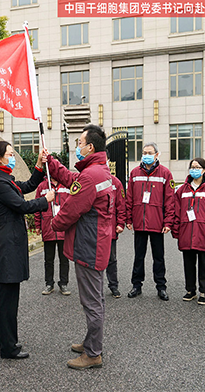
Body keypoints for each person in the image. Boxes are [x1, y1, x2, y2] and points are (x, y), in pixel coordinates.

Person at [44, 124, 113, 370]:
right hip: (95, 243)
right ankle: (91, 342)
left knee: (92, 302)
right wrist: (51, 163)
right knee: (95, 300)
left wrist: (55, 223)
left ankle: (93, 353)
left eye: (80, 143)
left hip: (89, 245)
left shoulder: (91, 175)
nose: (77, 147)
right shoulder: (98, 171)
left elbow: (72, 208)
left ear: (90, 147)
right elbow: (74, 181)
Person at [0, 141, 55, 359]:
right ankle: (8, 347)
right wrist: (46, 200)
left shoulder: (5, 178)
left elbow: (27, 186)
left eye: (13, 153)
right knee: (9, 297)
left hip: (10, 242)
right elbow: (22, 206)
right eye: (9, 154)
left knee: (5, 296)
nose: (12, 157)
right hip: (9, 244)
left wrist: (39, 164)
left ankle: (2, 339)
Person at [125, 141, 175, 301]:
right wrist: (128, 218)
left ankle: (161, 287)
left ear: (157, 155)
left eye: (149, 153)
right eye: (144, 153)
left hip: (157, 223)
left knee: (158, 257)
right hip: (139, 222)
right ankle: (136, 285)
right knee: (138, 256)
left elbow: (169, 200)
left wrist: (168, 222)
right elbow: (129, 198)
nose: (146, 155)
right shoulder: (134, 173)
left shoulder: (165, 174)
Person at [172, 158, 205, 305]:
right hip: (186, 233)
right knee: (188, 264)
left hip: (204, 235)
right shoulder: (181, 190)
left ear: (204, 170)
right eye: (192, 167)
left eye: (198, 167)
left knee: (204, 265)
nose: (194, 169)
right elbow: (177, 212)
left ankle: (203, 291)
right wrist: (177, 231)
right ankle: (190, 290)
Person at [34, 173, 71, 296]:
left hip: (63, 228)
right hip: (48, 227)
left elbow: (72, 206)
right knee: (48, 259)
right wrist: (38, 225)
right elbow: (37, 207)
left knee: (64, 258)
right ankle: (49, 283)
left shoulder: (66, 185)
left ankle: (64, 283)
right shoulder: (42, 187)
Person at [107, 169, 126, 298]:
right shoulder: (90, 179)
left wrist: (120, 223)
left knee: (111, 259)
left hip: (110, 228)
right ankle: (93, 288)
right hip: (93, 228)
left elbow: (121, 205)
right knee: (92, 259)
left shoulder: (116, 183)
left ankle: (113, 285)